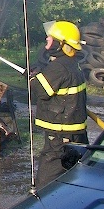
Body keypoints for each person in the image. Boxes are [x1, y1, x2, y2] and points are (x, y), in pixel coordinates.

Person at [29, 20, 87, 188]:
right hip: (74, 133)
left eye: (51, 38)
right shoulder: (71, 64)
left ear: (61, 44)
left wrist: (32, 78)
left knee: (46, 181)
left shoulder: (59, 67)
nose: (47, 40)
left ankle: (42, 201)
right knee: (73, 175)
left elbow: (41, 90)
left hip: (61, 136)